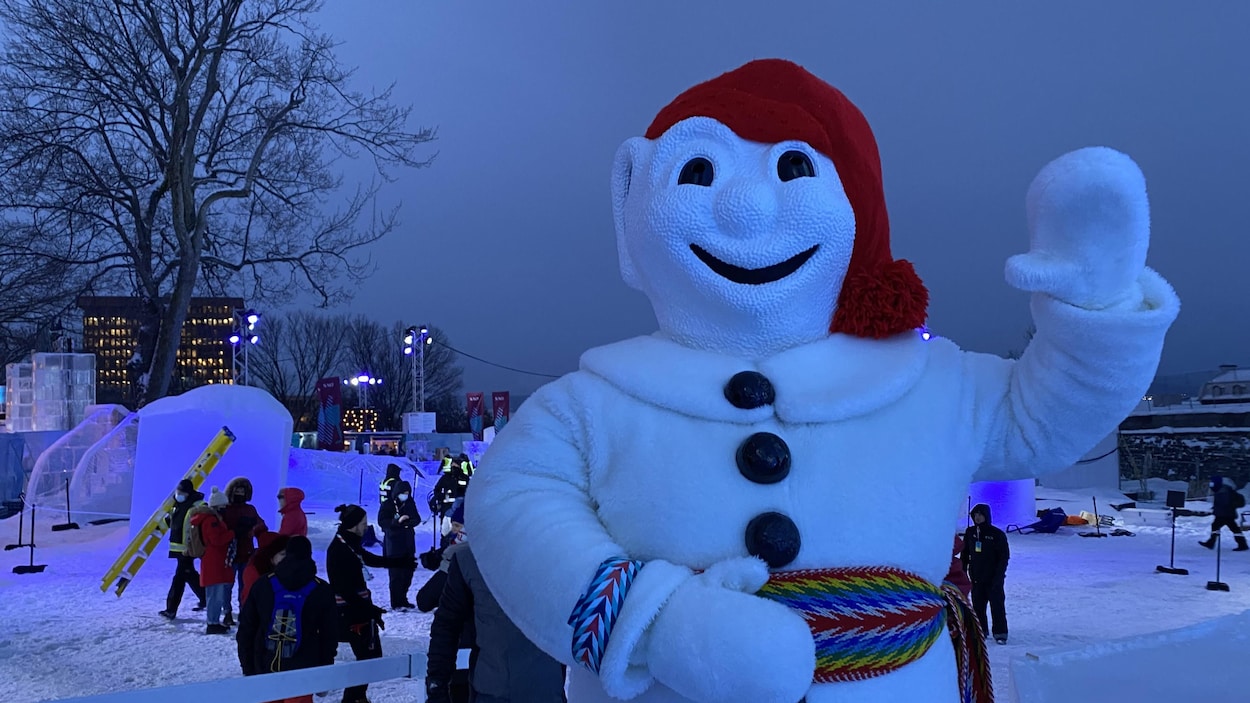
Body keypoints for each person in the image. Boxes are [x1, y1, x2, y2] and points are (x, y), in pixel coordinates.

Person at [426, 541, 567, 703]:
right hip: (492, 694)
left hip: (548, 693)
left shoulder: (562, 558)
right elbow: (446, 626)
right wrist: (437, 685)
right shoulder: (469, 559)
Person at [326, 504, 417, 703]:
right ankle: (353, 698)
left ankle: (357, 697)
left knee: (369, 657)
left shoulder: (349, 542)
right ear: (353, 525)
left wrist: (399, 562)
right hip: (351, 613)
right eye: (364, 523)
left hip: (359, 609)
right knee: (367, 658)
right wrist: (369, 609)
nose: (366, 527)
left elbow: (368, 559)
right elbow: (344, 589)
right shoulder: (339, 550)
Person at [237, 535, 338, 703]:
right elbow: (329, 636)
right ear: (309, 555)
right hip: (304, 670)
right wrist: (323, 673)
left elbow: (246, 629)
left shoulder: (263, 584)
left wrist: (248, 668)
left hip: (266, 665)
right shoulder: (321, 589)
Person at [221, 476, 268, 626]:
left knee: (245, 585)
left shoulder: (250, 509)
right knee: (227, 586)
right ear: (231, 491)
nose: (240, 493)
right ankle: (227, 612)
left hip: (246, 553)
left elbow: (261, 525)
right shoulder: (225, 509)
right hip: (229, 554)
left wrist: (253, 530)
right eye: (237, 489)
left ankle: (243, 611)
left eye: (243, 490)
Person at [962, 503, 1010, 644]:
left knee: (997, 606)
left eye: (980, 514)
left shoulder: (996, 534)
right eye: (975, 515)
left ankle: (1000, 633)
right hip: (976, 577)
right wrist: (964, 571)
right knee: (978, 606)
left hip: (994, 577)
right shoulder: (970, 532)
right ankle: (980, 630)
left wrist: (999, 576)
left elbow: (1003, 557)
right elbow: (965, 554)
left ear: (986, 516)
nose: (977, 517)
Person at [159, 479, 206, 619]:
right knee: (189, 574)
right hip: (179, 548)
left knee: (179, 578)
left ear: (188, 493)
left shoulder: (198, 505)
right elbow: (170, 522)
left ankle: (171, 609)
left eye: (182, 493)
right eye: (178, 492)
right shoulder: (176, 505)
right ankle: (206, 598)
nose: (178, 495)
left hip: (189, 549)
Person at [192, 488, 237, 634]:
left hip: (212, 561)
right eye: (223, 506)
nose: (225, 509)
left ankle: (214, 621)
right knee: (215, 595)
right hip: (214, 561)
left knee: (214, 594)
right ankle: (212, 623)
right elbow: (216, 540)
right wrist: (232, 533)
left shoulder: (207, 519)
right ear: (218, 506)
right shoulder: (211, 521)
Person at [378, 479, 422, 609]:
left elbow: (417, 518)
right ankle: (396, 602)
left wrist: (408, 522)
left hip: (408, 543)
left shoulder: (409, 503)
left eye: (408, 493)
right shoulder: (387, 505)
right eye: (403, 493)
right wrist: (396, 522)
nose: (406, 495)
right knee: (396, 575)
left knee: (408, 574)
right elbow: (382, 521)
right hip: (394, 544)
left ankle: (403, 598)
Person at [241, 532, 291, 606]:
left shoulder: (285, 570)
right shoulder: (253, 572)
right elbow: (250, 604)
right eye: (282, 554)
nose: (286, 558)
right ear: (270, 555)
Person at [1201, 476, 1248, 551]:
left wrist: (1218, 507)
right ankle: (1242, 544)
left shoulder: (1222, 490)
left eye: (1212, 483)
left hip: (1225, 514)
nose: (1211, 485)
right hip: (1226, 513)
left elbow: (1224, 502)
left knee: (1217, 526)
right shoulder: (1222, 489)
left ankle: (1211, 543)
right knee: (1233, 529)